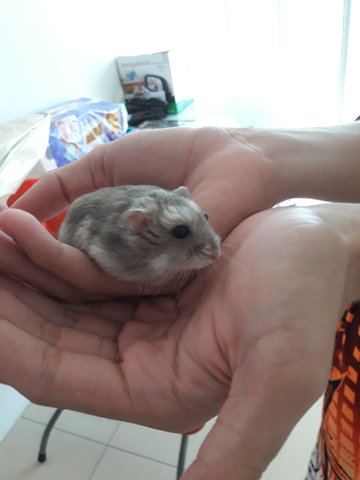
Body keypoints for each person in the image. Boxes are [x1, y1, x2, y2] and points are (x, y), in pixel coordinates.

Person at [1, 123, 360, 479]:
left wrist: (333, 238)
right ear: (138, 227)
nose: (213, 248)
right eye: (181, 233)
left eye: (203, 219)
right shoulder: (123, 236)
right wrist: (262, 153)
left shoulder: (173, 230)